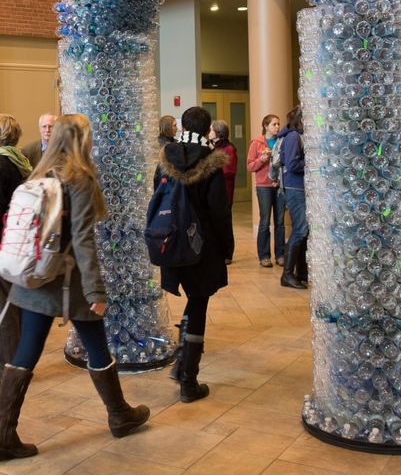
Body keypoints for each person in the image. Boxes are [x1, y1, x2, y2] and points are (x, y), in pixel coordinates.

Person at [0, 114, 149, 462]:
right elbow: (83, 239)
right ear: (81, 139)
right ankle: (119, 414)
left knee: (25, 354)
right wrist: (97, 291)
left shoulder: (40, 172)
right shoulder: (78, 177)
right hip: (69, 283)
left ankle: (4, 433)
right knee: (96, 345)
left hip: (37, 278)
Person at [152, 106, 231, 403]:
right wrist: (227, 247)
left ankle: (182, 363)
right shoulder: (211, 162)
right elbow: (219, 211)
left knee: (191, 302)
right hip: (202, 246)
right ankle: (188, 380)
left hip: (170, 241)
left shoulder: (165, 158)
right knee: (198, 304)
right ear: (207, 128)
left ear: (183, 126)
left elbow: (156, 197)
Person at [0, 115, 32, 382]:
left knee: (6, 307)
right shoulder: (21, 161)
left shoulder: (1, 163)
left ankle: (11, 365)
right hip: (17, 242)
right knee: (14, 302)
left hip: (3, 242)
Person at [247, 114, 285, 268]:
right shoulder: (257, 143)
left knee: (280, 222)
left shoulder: (282, 142)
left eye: (278, 124)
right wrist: (261, 160)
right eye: (274, 124)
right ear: (266, 126)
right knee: (264, 222)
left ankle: (281, 254)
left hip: (279, 185)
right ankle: (264, 256)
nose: (277, 127)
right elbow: (250, 166)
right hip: (263, 187)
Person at [279, 105, 308, 289]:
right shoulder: (293, 137)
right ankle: (287, 275)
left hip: (298, 187)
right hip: (294, 187)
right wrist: (313, 161)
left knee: (304, 230)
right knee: (300, 229)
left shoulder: (295, 136)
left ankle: (301, 273)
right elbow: (292, 163)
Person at [209, 120, 237, 264]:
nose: (209, 131)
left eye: (211, 129)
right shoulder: (213, 147)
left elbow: (229, 171)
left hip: (225, 190)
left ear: (218, 132)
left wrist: (211, 168)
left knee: (225, 222)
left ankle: (227, 253)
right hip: (216, 189)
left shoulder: (228, 148)